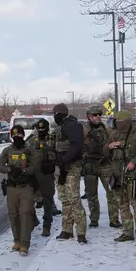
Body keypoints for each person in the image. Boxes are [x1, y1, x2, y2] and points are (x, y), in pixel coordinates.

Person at [107, 111, 136, 245]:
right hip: (118, 175)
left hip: (133, 176)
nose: (118, 123)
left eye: (120, 121)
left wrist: (134, 161)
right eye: (117, 121)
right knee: (122, 205)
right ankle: (127, 232)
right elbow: (104, 152)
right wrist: (109, 146)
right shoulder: (113, 134)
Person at [0, 125, 37, 255]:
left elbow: (36, 166)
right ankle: (17, 240)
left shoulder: (30, 150)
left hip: (26, 187)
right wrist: (10, 169)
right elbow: (0, 165)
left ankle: (25, 244)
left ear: (23, 135)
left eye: (19, 135)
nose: (17, 138)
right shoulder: (7, 151)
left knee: (25, 214)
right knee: (13, 214)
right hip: (12, 187)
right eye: (14, 136)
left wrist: (24, 171)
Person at [52, 103, 87, 243]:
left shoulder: (71, 125)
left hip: (71, 167)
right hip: (61, 167)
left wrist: (65, 159)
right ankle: (66, 230)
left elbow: (77, 145)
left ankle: (81, 232)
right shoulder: (62, 126)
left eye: (55, 114)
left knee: (74, 199)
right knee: (64, 199)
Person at [83, 105, 120, 228]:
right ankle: (94, 219)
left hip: (105, 164)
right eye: (95, 115)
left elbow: (116, 135)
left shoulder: (106, 129)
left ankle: (114, 220)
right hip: (90, 165)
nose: (98, 116)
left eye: (99, 114)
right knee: (91, 194)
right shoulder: (84, 130)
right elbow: (89, 147)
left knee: (112, 192)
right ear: (89, 116)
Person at [26, 119, 58, 237]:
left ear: (47, 128)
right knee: (29, 200)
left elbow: (59, 154)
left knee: (47, 202)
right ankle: (33, 220)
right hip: (33, 175)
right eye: (39, 129)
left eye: (43, 129)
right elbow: (24, 153)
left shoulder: (53, 140)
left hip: (47, 175)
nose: (40, 131)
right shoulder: (31, 140)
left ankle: (47, 226)